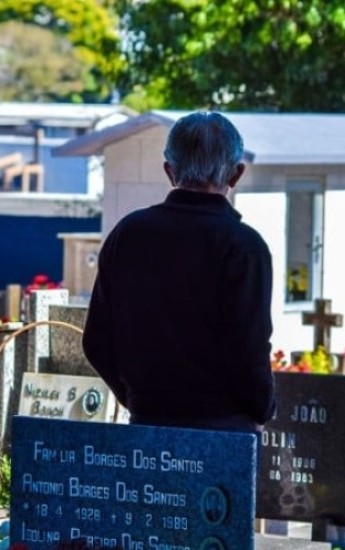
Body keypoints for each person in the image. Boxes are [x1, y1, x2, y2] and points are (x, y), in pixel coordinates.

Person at [82, 111, 276, 434]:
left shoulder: (128, 235)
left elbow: (96, 342)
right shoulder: (244, 247)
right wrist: (262, 408)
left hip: (146, 426)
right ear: (236, 174)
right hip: (226, 434)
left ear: (169, 171)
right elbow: (250, 349)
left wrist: (139, 401)